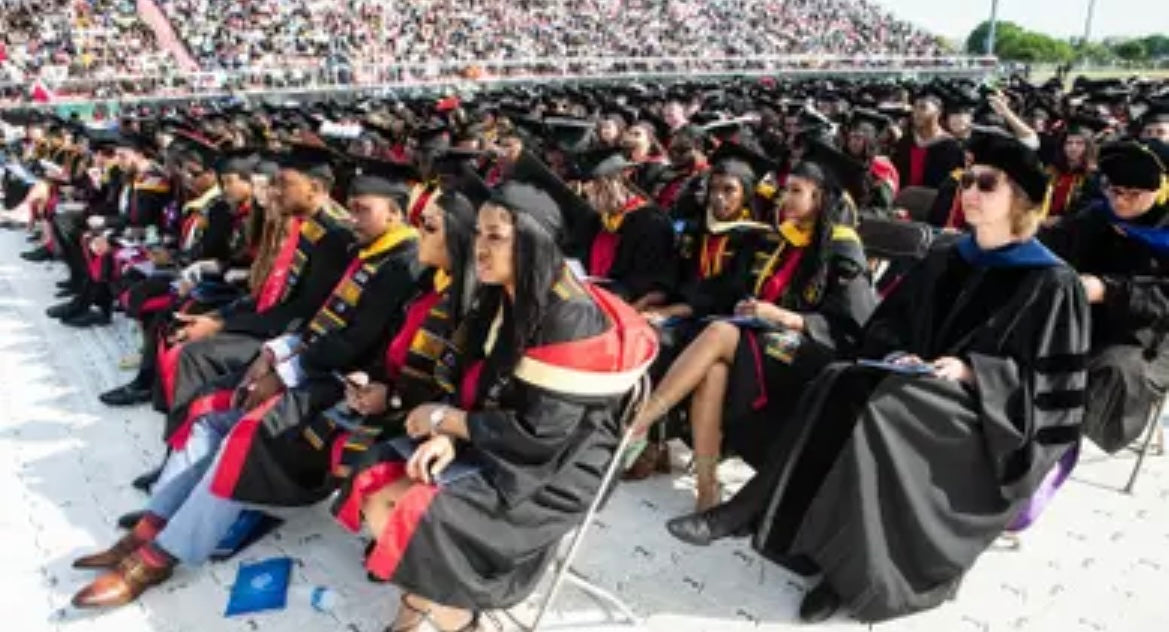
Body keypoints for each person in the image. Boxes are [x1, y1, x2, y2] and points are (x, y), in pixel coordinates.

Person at [667, 135, 1090, 624]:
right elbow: (884, 324)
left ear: (1021, 199)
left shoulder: (1051, 282)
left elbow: (1053, 395)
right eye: (967, 180)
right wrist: (899, 352)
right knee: (838, 381)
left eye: (986, 184)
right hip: (915, 387)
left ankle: (852, 581)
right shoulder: (948, 257)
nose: (969, 191)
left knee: (882, 411)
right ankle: (760, 517)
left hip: (985, 420)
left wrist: (974, 372)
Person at [68, 155, 425, 609]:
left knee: (245, 433)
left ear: (395, 212)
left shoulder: (401, 264)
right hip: (310, 361)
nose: (352, 217)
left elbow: (356, 342)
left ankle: (162, 555)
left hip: (345, 382)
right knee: (208, 410)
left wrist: (284, 370)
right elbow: (320, 320)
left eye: (363, 209)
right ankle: (155, 522)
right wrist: (275, 353)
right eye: (351, 207)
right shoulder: (369, 250)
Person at [331, 181, 656, 632]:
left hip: (557, 467)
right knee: (377, 476)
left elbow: (543, 433)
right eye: (479, 234)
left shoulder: (568, 316)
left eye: (496, 237)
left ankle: (446, 616)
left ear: (534, 242)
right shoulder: (505, 291)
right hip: (505, 437)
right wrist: (447, 432)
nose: (479, 248)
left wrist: (453, 422)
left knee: (420, 509)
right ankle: (428, 605)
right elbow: (475, 383)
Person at [629, 155, 875, 510]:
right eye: (784, 190)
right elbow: (737, 288)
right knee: (713, 370)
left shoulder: (841, 247)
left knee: (718, 330)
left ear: (819, 198)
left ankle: (642, 421)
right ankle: (706, 489)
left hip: (812, 349)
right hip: (761, 337)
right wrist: (751, 306)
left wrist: (784, 316)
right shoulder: (780, 238)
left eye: (796, 191)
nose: (784, 198)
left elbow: (853, 323)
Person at [1041, 139, 1169, 454]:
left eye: (1133, 194)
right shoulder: (1097, 216)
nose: (1121, 201)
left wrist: (1110, 290)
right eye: (1114, 190)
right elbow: (1053, 245)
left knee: (1115, 369)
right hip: (1087, 322)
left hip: (1147, 337)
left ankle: (1076, 446)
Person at [571, 149, 677, 309]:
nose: (591, 195)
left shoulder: (652, 222)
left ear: (620, 181)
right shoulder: (597, 220)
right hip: (592, 296)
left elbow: (648, 282)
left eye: (598, 186)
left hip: (630, 304)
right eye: (588, 189)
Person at [891, 88, 965, 190]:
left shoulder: (951, 147)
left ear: (938, 113)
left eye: (923, 108)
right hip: (902, 201)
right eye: (915, 108)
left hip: (936, 201)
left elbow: (958, 175)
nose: (916, 113)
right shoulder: (905, 142)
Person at [1045, 119, 1102, 220]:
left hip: (1072, 228)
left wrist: (1061, 220)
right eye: (1069, 143)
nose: (1073, 147)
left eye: (1079, 143)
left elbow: (1090, 208)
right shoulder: (1052, 170)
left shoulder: (1094, 175)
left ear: (1087, 147)